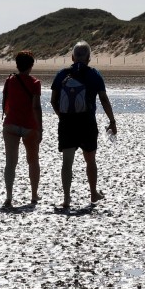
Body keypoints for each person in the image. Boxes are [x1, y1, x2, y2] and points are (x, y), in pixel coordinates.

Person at [49, 41, 117, 210]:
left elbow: (53, 100)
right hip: (87, 122)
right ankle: (93, 192)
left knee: (67, 163)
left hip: (67, 123)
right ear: (89, 58)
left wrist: (62, 117)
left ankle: (66, 199)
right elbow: (103, 99)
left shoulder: (61, 74)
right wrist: (112, 121)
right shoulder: (94, 74)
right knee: (90, 160)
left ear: (72, 57)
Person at [0, 50, 42, 209]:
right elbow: (36, 107)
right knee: (32, 161)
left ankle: (9, 196)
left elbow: (6, 104)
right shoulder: (35, 83)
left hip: (11, 124)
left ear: (17, 65)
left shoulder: (9, 80)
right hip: (29, 125)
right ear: (31, 65)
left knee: (10, 162)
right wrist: (40, 128)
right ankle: (33, 195)